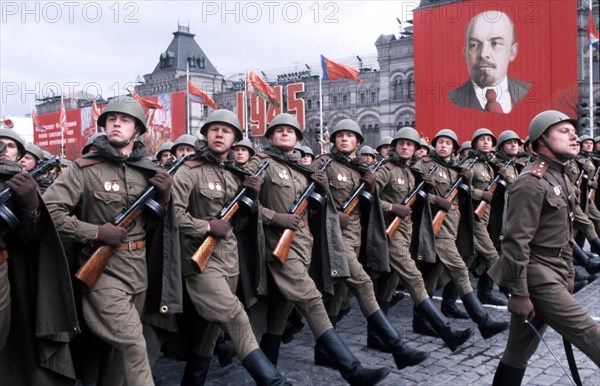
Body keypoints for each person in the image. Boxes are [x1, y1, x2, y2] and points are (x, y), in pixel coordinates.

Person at [44, 96, 181, 386]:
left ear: (138, 130)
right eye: (111, 120)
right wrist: (95, 232)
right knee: (133, 343)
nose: (116, 124)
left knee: (118, 359)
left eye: (125, 120)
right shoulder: (83, 169)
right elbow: (50, 213)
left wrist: (166, 197)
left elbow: (162, 224)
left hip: (138, 271)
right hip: (101, 273)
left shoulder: (148, 170)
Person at [247, 112, 391, 385]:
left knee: (280, 313)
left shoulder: (303, 171)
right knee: (312, 300)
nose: (285, 134)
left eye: (290, 131)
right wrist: (274, 218)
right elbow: (247, 205)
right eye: (279, 131)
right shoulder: (260, 164)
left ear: (299, 138)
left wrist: (324, 194)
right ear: (270, 137)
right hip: (275, 247)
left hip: (301, 248)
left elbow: (314, 214)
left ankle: (267, 376)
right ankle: (352, 370)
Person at [172, 109, 289, 385]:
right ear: (206, 134)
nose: (219, 134)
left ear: (235, 139)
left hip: (229, 261)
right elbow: (174, 216)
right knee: (234, 315)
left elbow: (241, 223)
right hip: (199, 260)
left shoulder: (238, 175)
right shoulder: (189, 171)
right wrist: (207, 227)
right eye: (214, 129)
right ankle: (273, 381)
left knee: (209, 330)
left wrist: (252, 198)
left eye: (226, 130)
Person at [489, 110, 600, 384]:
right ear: (541, 140)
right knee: (591, 335)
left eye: (573, 131)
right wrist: (518, 293)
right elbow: (516, 242)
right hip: (536, 279)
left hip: (554, 272)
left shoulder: (559, 176)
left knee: (517, 352)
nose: (574, 136)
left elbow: (563, 231)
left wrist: (569, 272)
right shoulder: (530, 183)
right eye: (563, 131)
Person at [315, 119, 429, 371]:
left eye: (350, 136)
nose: (344, 139)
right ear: (334, 140)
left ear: (358, 141)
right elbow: (307, 199)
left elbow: (372, 204)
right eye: (340, 135)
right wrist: (332, 211)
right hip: (334, 236)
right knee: (364, 284)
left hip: (356, 235)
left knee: (340, 294)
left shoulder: (361, 169)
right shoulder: (323, 163)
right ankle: (398, 347)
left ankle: (322, 352)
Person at [374, 127, 473, 352]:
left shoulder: (411, 172)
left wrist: (427, 191)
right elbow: (369, 199)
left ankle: (376, 335)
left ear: (416, 149)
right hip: (390, 233)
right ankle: (446, 331)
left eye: (410, 144)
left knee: (388, 283)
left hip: (407, 233)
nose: (405, 147)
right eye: (401, 144)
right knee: (415, 279)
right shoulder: (386, 170)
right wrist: (391, 207)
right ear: (395, 146)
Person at [0, 129, 80, 384]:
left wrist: (30, 205)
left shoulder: (22, 183)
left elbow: (31, 237)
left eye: (11, 145)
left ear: (20, 155)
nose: (3, 149)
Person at [413, 129, 509, 340]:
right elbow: (413, 194)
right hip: (435, 226)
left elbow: (462, 200)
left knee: (433, 274)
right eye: (440, 142)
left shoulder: (456, 169)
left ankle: (419, 321)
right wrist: (435, 200)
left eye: (448, 143)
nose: (443, 146)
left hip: (453, 225)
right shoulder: (425, 165)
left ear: (454, 148)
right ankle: (483, 321)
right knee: (459, 269)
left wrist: (465, 183)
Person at [448, 10, 531, 113]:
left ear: (512, 51)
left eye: (495, 43)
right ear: (465, 54)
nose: (483, 54)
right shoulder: (450, 101)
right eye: (474, 45)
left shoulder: (530, 93)